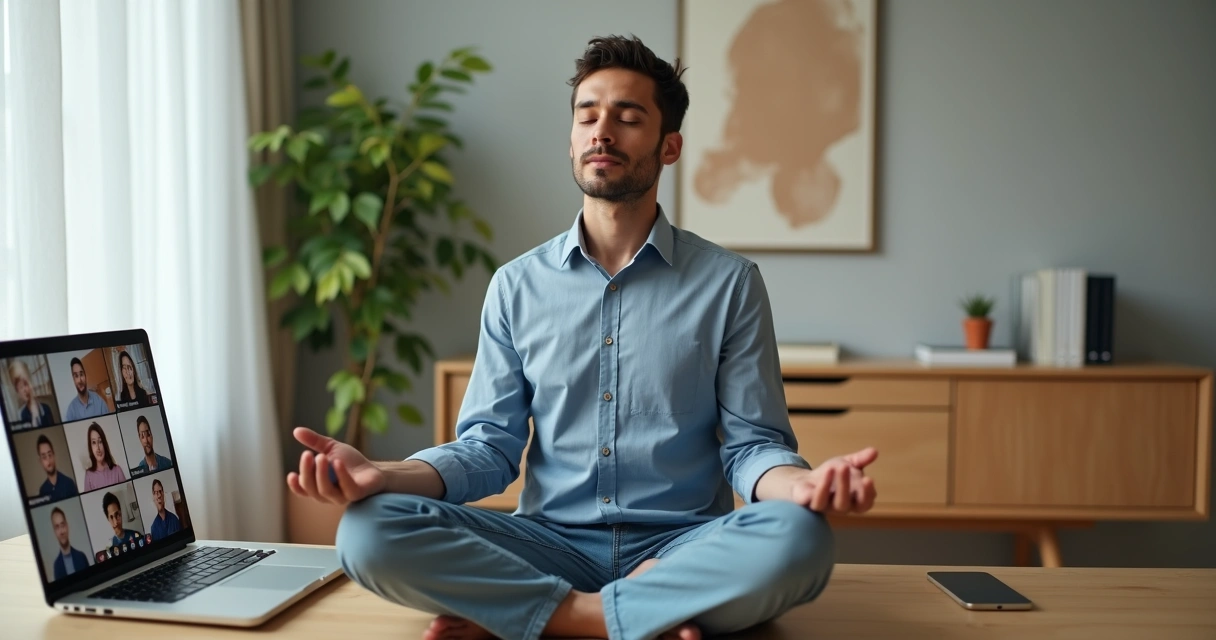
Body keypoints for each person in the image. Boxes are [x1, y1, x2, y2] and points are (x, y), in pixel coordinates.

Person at [287, 35, 879, 640]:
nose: (602, 132)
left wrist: (802, 485)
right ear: (571, 140)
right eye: (587, 115)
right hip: (546, 544)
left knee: (800, 535)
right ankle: (632, 614)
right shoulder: (514, 286)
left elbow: (751, 446)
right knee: (367, 529)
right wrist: (382, 475)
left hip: (680, 546)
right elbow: (487, 450)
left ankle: (534, 615)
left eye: (628, 118)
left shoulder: (731, 283)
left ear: (669, 146)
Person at [8, 359, 54, 427]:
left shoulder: (46, 408)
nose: (24, 390)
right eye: (20, 387)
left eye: (25, 384)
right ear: (17, 391)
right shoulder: (20, 415)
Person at [49, 507, 90, 579]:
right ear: (54, 531)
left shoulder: (81, 557)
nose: (61, 531)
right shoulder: (57, 566)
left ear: (67, 526)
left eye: (62, 525)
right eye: (57, 527)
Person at [82, 423, 126, 491]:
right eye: (94, 442)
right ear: (90, 447)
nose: (98, 448)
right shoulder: (89, 475)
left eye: (100, 441)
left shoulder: (117, 470)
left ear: (104, 444)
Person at [35, 435, 78, 500]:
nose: (48, 459)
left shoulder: (69, 483)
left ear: (54, 455)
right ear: (40, 461)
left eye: (49, 455)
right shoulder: (42, 491)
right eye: (44, 457)